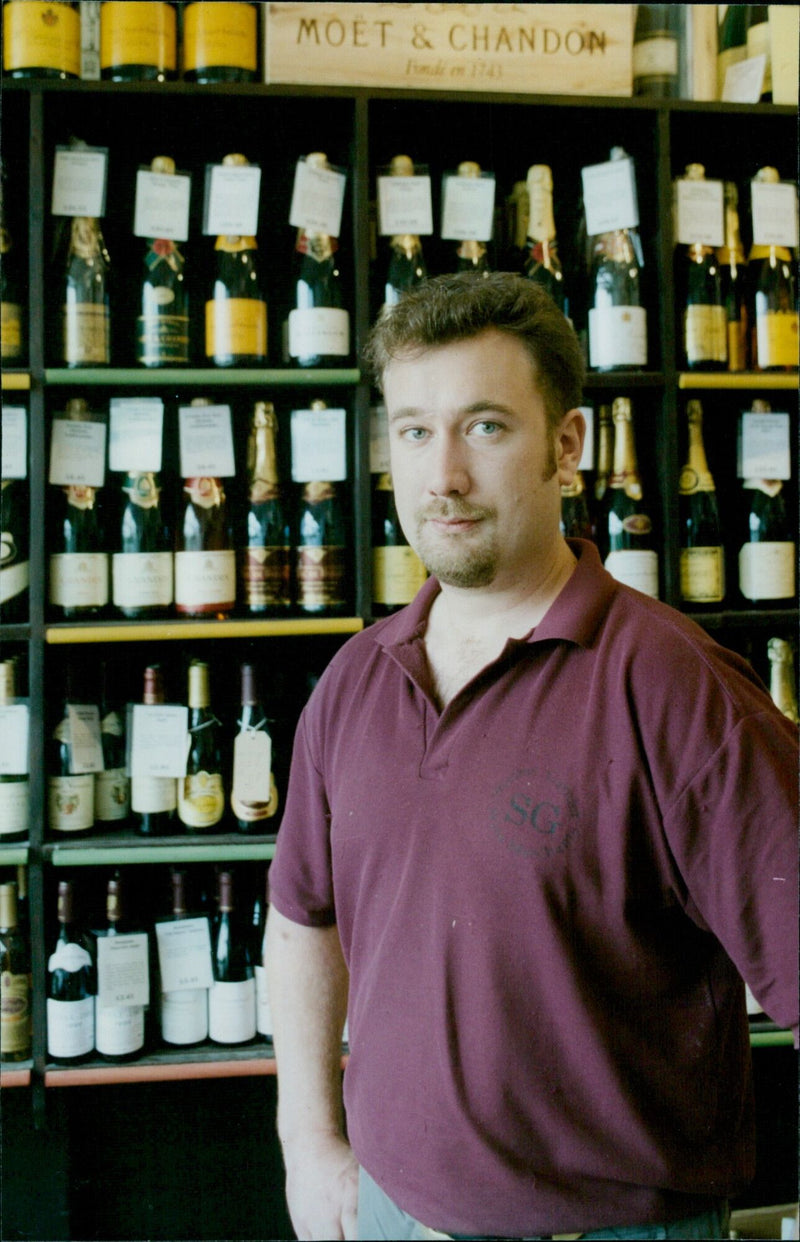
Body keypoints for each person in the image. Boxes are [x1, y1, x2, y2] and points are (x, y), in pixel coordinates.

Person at [265, 272, 798, 1242]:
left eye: (484, 427)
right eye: (414, 432)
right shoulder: (353, 682)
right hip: (386, 1214)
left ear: (566, 446)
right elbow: (302, 918)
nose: (443, 478)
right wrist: (308, 1142)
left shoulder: (675, 686)